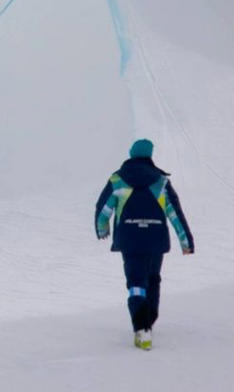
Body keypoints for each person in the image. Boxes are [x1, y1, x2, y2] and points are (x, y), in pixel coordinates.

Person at [94, 139, 194, 350]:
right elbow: (175, 213)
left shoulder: (118, 179)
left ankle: (141, 328)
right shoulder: (160, 181)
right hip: (155, 240)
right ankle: (149, 319)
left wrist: (102, 228)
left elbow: (104, 208)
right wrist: (186, 242)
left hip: (130, 240)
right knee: (153, 279)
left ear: (131, 154)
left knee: (136, 283)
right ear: (150, 156)